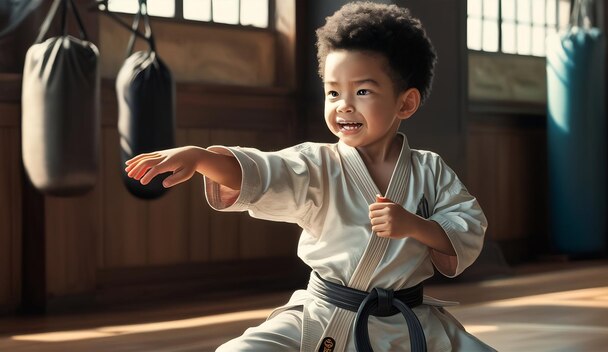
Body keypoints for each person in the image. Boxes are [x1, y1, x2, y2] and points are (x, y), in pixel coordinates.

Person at [125, 2, 494, 351]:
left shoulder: (429, 170)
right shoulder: (317, 163)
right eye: (333, 92)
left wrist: (415, 225)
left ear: (406, 103)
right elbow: (263, 172)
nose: (343, 105)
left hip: (410, 320)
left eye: (362, 91)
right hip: (327, 314)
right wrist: (202, 158)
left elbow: (467, 224)